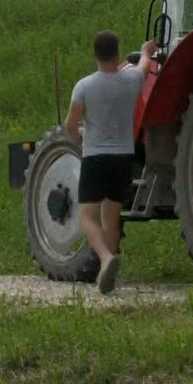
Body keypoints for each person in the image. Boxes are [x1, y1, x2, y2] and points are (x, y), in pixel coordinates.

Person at [64, 29, 157, 295]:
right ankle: (109, 273)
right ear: (117, 54)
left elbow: (71, 126)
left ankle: (106, 258)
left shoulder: (84, 86)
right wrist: (146, 51)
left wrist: (80, 137)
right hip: (124, 157)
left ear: (95, 54)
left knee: (87, 216)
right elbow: (144, 66)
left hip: (95, 157)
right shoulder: (132, 80)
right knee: (111, 218)